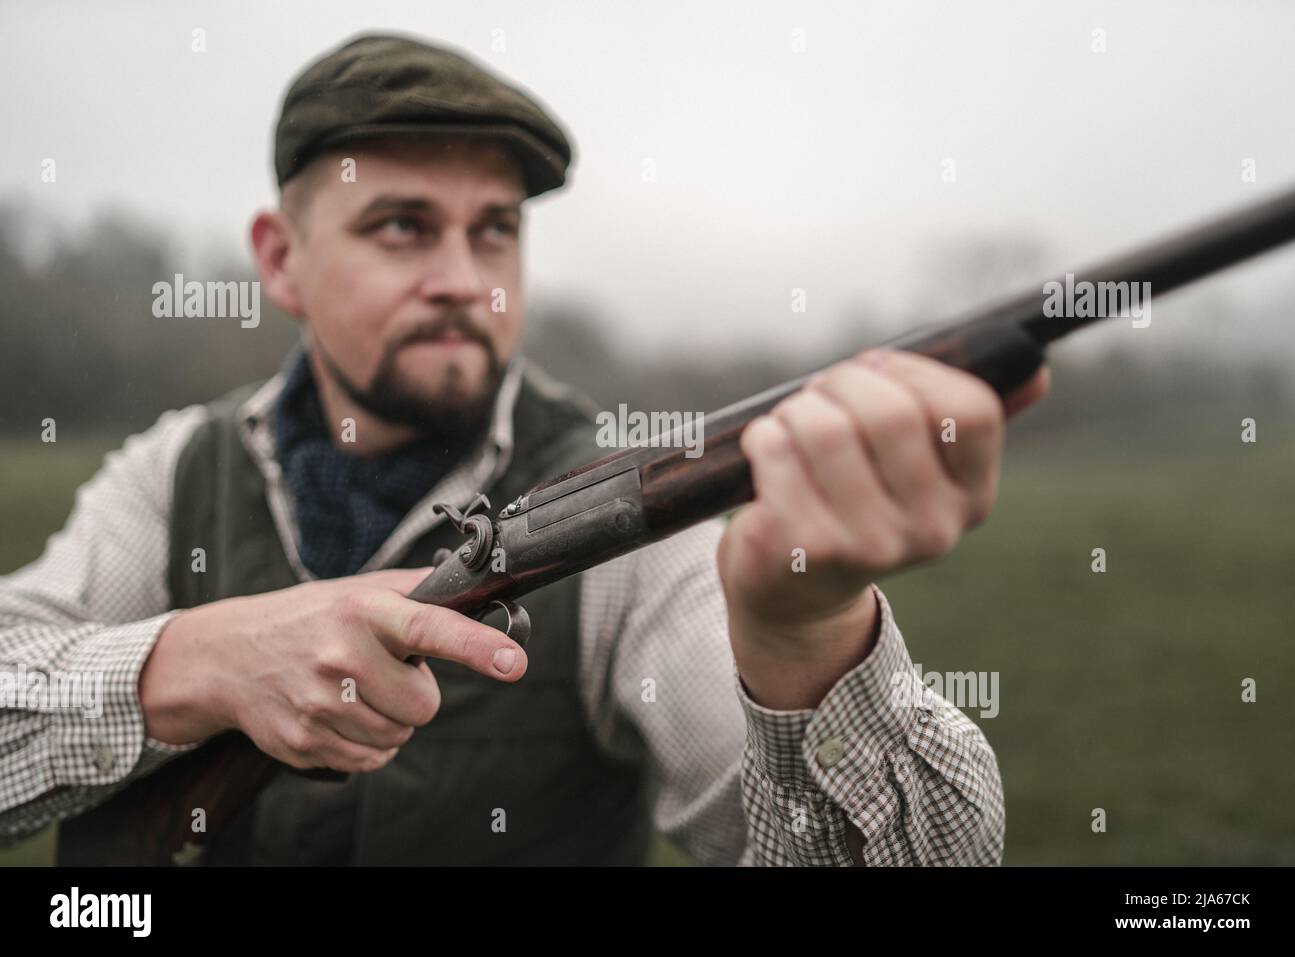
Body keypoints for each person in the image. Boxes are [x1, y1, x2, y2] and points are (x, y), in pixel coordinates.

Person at [0, 33, 1048, 865]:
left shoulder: (628, 512)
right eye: (402, 226)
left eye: (494, 229)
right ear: (280, 258)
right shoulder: (175, 470)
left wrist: (807, 635)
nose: (463, 276)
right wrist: (195, 662)